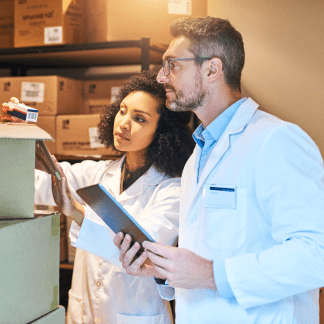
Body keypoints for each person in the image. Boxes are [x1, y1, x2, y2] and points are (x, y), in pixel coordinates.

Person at [114, 17, 324, 324]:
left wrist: (211, 274)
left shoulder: (276, 140)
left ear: (212, 69)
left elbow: (315, 256)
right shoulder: (197, 156)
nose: (161, 77)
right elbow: (203, 259)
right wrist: (162, 270)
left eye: (172, 65)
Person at [30, 71, 195, 324]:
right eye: (122, 111)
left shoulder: (171, 190)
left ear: (163, 131)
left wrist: (75, 211)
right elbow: (42, 184)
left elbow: (135, 250)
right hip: (83, 313)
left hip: (136, 315)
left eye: (139, 118)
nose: (124, 123)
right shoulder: (98, 172)